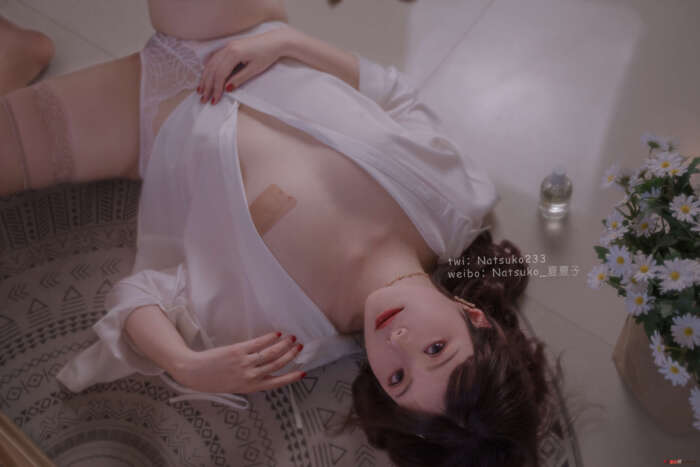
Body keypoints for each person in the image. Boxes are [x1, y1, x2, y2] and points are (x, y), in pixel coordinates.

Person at [1, 2, 563, 466]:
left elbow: (137, 295)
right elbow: (395, 95)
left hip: (147, 120)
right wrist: (287, 46)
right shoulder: (452, 205)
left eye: (397, 377)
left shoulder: (289, 335)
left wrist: (184, 363)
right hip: (238, 34)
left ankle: (22, 52)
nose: (397, 341)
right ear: (475, 317)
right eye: (435, 349)